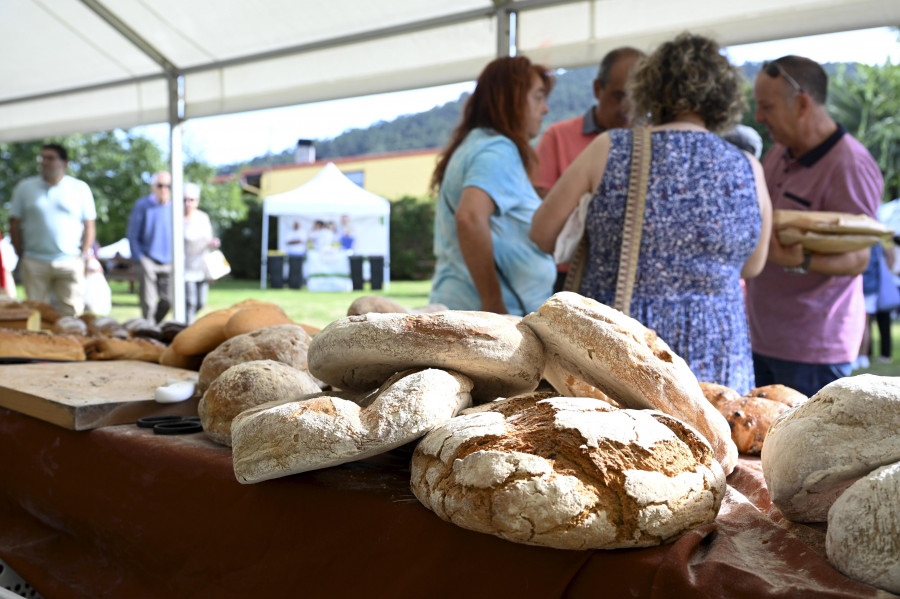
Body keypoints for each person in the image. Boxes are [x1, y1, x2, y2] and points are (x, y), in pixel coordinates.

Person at [531, 33, 772, 394]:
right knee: (715, 440)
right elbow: (752, 266)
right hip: (718, 347)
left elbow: (542, 233)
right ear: (723, 95)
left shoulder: (611, 148)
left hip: (625, 348)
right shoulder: (748, 166)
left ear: (650, 87)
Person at [745, 55, 883, 397]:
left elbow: (858, 259)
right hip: (762, 337)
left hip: (812, 351)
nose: (758, 117)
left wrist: (800, 260)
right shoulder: (779, 152)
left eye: (766, 107)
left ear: (802, 103)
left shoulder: (850, 164)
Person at [429, 55, 556, 316]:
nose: (545, 109)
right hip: (483, 317)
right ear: (510, 99)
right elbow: (469, 217)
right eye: (538, 97)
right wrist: (493, 303)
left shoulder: (476, 144)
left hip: (464, 308)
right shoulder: (499, 148)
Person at [534, 47, 644, 292]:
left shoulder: (650, 143)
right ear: (597, 89)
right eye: (619, 96)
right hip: (572, 277)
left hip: (635, 280)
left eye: (637, 97)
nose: (628, 107)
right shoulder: (558, 136)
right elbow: (542, 209)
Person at [8, 143, 97, 316]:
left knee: (72, 314)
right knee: (35, 313)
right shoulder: (25, 188)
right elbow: (14, 223)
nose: (44, 162)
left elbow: (89, 225)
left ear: (65, 163)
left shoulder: (80, 188)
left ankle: (71, 344)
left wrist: (84, 255)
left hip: (70, 261)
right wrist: (21, 254)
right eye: (42, 158)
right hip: (34, 260)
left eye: (50, 158)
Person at [127, 171, 174, 323]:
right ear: (153, 186)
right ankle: (149, 329)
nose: (164, 189)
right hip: (147, 259)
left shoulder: (175, 207)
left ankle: (153, 325)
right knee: (149, 302)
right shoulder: (143, 206)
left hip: (169, 261)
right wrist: (140, 258)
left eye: (168, 186)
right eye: (160, 185)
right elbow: (132, 234)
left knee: (169, 300)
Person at [183, 182, 219, 324]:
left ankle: (188, 323)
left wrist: (213, 243)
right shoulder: (176, 219)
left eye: (191, 199)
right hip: (185, 267)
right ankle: (187, 329)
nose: (188, 203)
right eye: (184, 200)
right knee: (190, 302)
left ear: (197, 201)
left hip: (202, 266)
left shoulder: (203, 218)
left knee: (200, 303)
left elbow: (208, 239)